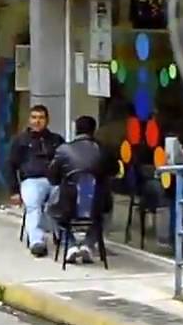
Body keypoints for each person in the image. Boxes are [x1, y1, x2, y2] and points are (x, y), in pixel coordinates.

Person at [47, 115, 113, 264]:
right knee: (104, 214)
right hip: (96, 203)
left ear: (75, 129)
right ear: (93, 130)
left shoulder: (63, 150)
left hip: (68, 204)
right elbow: (113, 170)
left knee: (50, 210)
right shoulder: (103, 150)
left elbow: (52, 176)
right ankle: (88, 244)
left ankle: (70, 245)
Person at [8, 104, 65, 257]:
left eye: (41, 118)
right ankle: (37, 241)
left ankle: (63, 236)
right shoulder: (20, 141)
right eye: (34, 117)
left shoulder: (56, 140)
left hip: (54, 182)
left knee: (61, 203)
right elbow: (11, 166)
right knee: (34, 206)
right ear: (29, 119)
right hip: (31, 181)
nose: (37, 121)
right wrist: (14, 191)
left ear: (47, 120)